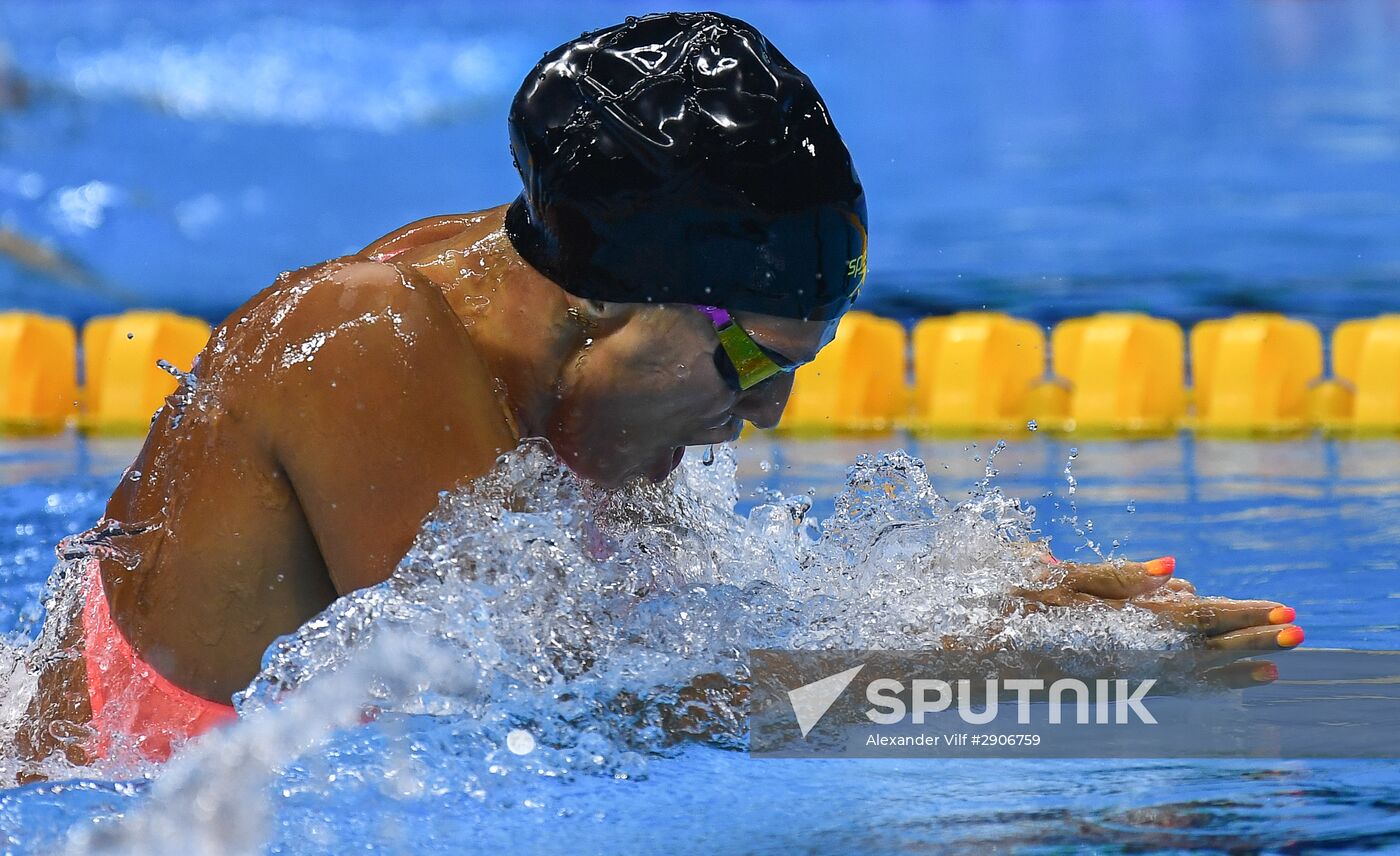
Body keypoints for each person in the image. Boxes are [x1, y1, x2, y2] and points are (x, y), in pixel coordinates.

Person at [18, 11, 1301, 771]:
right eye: (745, 359)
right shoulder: (368, 342)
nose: (763, 416)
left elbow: (643, 644)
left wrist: (982, 607)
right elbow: (556, 719)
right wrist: (967, 675)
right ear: (610, 307)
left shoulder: (546, 355)